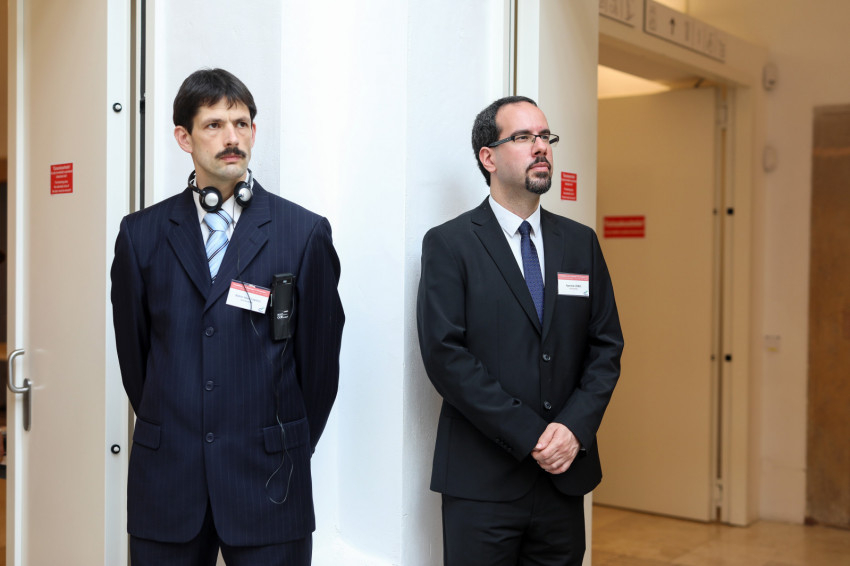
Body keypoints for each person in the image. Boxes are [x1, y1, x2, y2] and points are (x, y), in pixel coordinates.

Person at [111, 68, 344, 566]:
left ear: (254, 132)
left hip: (270, 483)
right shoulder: (141, 235)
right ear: (184, 137)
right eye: (214, 125)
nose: (231, 137)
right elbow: (136, 360)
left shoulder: (303, 233)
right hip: (168, 483)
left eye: (241, 123)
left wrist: (285, 443)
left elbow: (320, 368)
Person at [416, 96, 624, 565]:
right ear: (488, 157)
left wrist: (573, 429)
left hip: (563, 479)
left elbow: (606, 346)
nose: (541, 147)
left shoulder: (580, 243)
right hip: (482, 484)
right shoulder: (450, 244)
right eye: (524, 137)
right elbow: (446, 356)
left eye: (545, 136)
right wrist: (533, 435)